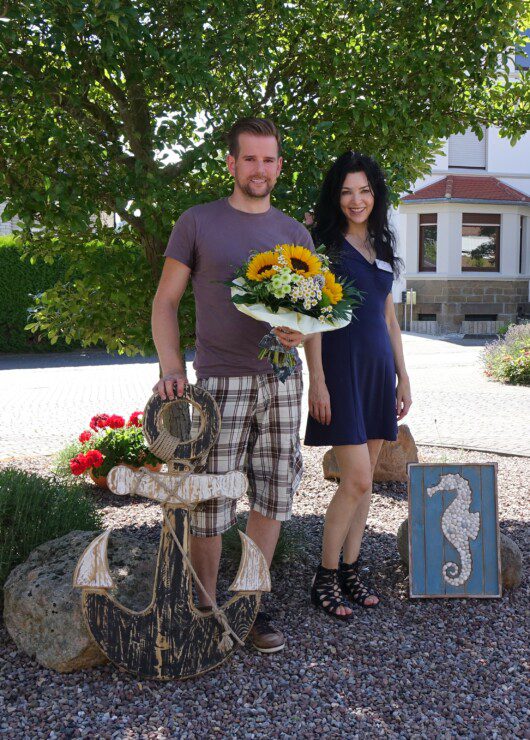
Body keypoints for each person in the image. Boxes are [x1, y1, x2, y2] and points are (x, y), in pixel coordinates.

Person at [151, 117, 315, 652]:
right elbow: (166, 302)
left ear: (279, 167)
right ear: (231, 163)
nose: (260, 169)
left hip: (284, 382)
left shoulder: (295, 233)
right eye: (250, 159)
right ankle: (204, 605)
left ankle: (249, 603)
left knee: (274, 491)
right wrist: (171, 367)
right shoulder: (197, 222)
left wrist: (301, 330)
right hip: (221, 381)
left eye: (269, 160)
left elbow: (314, 313)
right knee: (212, 498)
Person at [304, 151, 412, 620]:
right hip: (341, 371)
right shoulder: (323, 246)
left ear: (375, 194)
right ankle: (324, 577)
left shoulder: (384, 248)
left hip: (376, 372)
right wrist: (318, 381)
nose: (356, 199)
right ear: (336, 195)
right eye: (347, 191)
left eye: (364, 190)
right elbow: (312, 321)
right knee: (358, 479)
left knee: (363, 485)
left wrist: (403, 375)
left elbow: (389, 318)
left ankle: (351, 569)